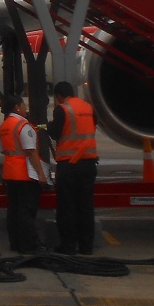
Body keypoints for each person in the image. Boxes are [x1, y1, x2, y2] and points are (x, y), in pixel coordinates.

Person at [0, 92, 50, 254]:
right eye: (23, 105)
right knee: (26, 211)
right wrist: (41, 174)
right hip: (25, 174)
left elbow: (5, 150)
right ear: (17, 107)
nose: (25, 108)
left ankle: (15, 243)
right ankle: (30, 245)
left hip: (10, 172)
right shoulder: (23, 125)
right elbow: (31, 152)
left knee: (13, 211)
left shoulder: (4, 126)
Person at [51, 80, 98, 254]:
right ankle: (86, 247)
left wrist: (47, 127)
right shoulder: (88, 108)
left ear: (59, 96)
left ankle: (68, 246)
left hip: (69, 165)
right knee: (86, 207)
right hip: (88, 163)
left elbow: (56, 132)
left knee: (67, 207)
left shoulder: (62, 109)